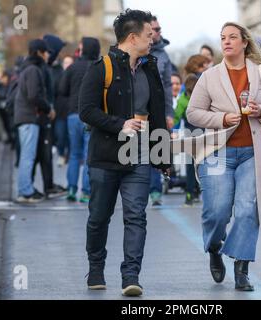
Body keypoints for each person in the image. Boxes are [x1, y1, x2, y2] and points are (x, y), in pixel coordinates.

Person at [186, 22, 261, 291]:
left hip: (254, 153)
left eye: (233, 37)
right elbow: (193, 113)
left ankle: (242, 267)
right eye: (223, 38)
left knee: (248, 209)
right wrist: (221, 118)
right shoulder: (209, 77)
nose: (227, 41)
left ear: (244, 42)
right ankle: (213, 248)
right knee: (217, 211)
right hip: (218, 152)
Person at [79, 9, 171, 297]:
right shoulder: (101, 68)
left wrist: (162, 155)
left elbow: (156, 114)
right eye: (148, 34)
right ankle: (96, 267)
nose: (153, 38)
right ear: (133, 37)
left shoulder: (149, 68)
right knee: (99, 217)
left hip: (139, 154)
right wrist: (120, 124)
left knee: (136, 216)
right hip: (105, 155)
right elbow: (86, 111)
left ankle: (131, 276)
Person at [59, 37, 101, 203]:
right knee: (88, 154)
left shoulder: (73, 67)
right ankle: (86, 191)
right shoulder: (98, 67)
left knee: (74, 154)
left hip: (72, 115)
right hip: (90, 116)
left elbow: (61, 89)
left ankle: (71, 188)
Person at [14, 39, 53, 203]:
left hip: (25, 117)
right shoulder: (33, 70)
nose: (47, 55)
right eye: (45, 52)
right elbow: (33, 95)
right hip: (29, 117)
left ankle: (26, 188)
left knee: (27, 155)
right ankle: (25, 191)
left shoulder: (26, 68)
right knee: (27, 156)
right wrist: (48, 108)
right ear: (39, 52)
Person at [30, 34, 67, 199]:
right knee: (39, 153)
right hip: (41, 116)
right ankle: (35, 187)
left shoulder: (47, 68)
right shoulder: (43, 69)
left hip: (44, 115)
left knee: (42, 152)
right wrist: (48, 108)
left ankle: (47, 184)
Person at [174, 55, 211, 206]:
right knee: (204, 163)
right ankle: (201, 191)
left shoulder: (183, 99)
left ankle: (189, 193)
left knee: (190, 165)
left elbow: (176, 116)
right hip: (203, 133)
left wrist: (174, 129)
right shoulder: (202, 97)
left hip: (189, 134)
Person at [149, 15, 174, 206]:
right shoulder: (135, 52)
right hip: (137, 111)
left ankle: (155, 191)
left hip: (158, 112)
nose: (159, 32)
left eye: (159, 29)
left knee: (157, 150)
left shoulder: (164, 55)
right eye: (156, 29)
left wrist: (169, 113)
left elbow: (167, 87)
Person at [54, 55, 74, 167]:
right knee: (60, 137)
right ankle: (61, 154)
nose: (67, 65)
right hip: (60, 113)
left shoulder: (75, 76)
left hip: (71, 112)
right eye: (65, 63)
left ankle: (68, 156)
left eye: (69, 62)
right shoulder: (58, 77)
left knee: (71, 137)